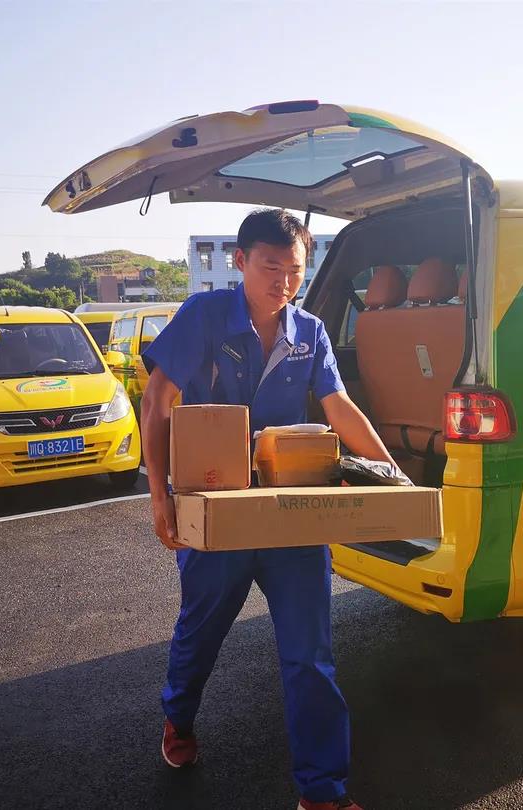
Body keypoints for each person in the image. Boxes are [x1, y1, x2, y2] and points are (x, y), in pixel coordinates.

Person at [141, 208, 395, 810]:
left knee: (311, 656)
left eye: (295, 270)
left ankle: (322, 791)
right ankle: (178, 715)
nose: (283, 281)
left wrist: (391, 474)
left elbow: (340, 407)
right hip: (218, 515)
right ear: (241, 261)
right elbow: (157, 401)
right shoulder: (204, 317)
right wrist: (160, 498)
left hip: (289, 516)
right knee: (199, 635)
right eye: (271, 265)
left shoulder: (309, 332)